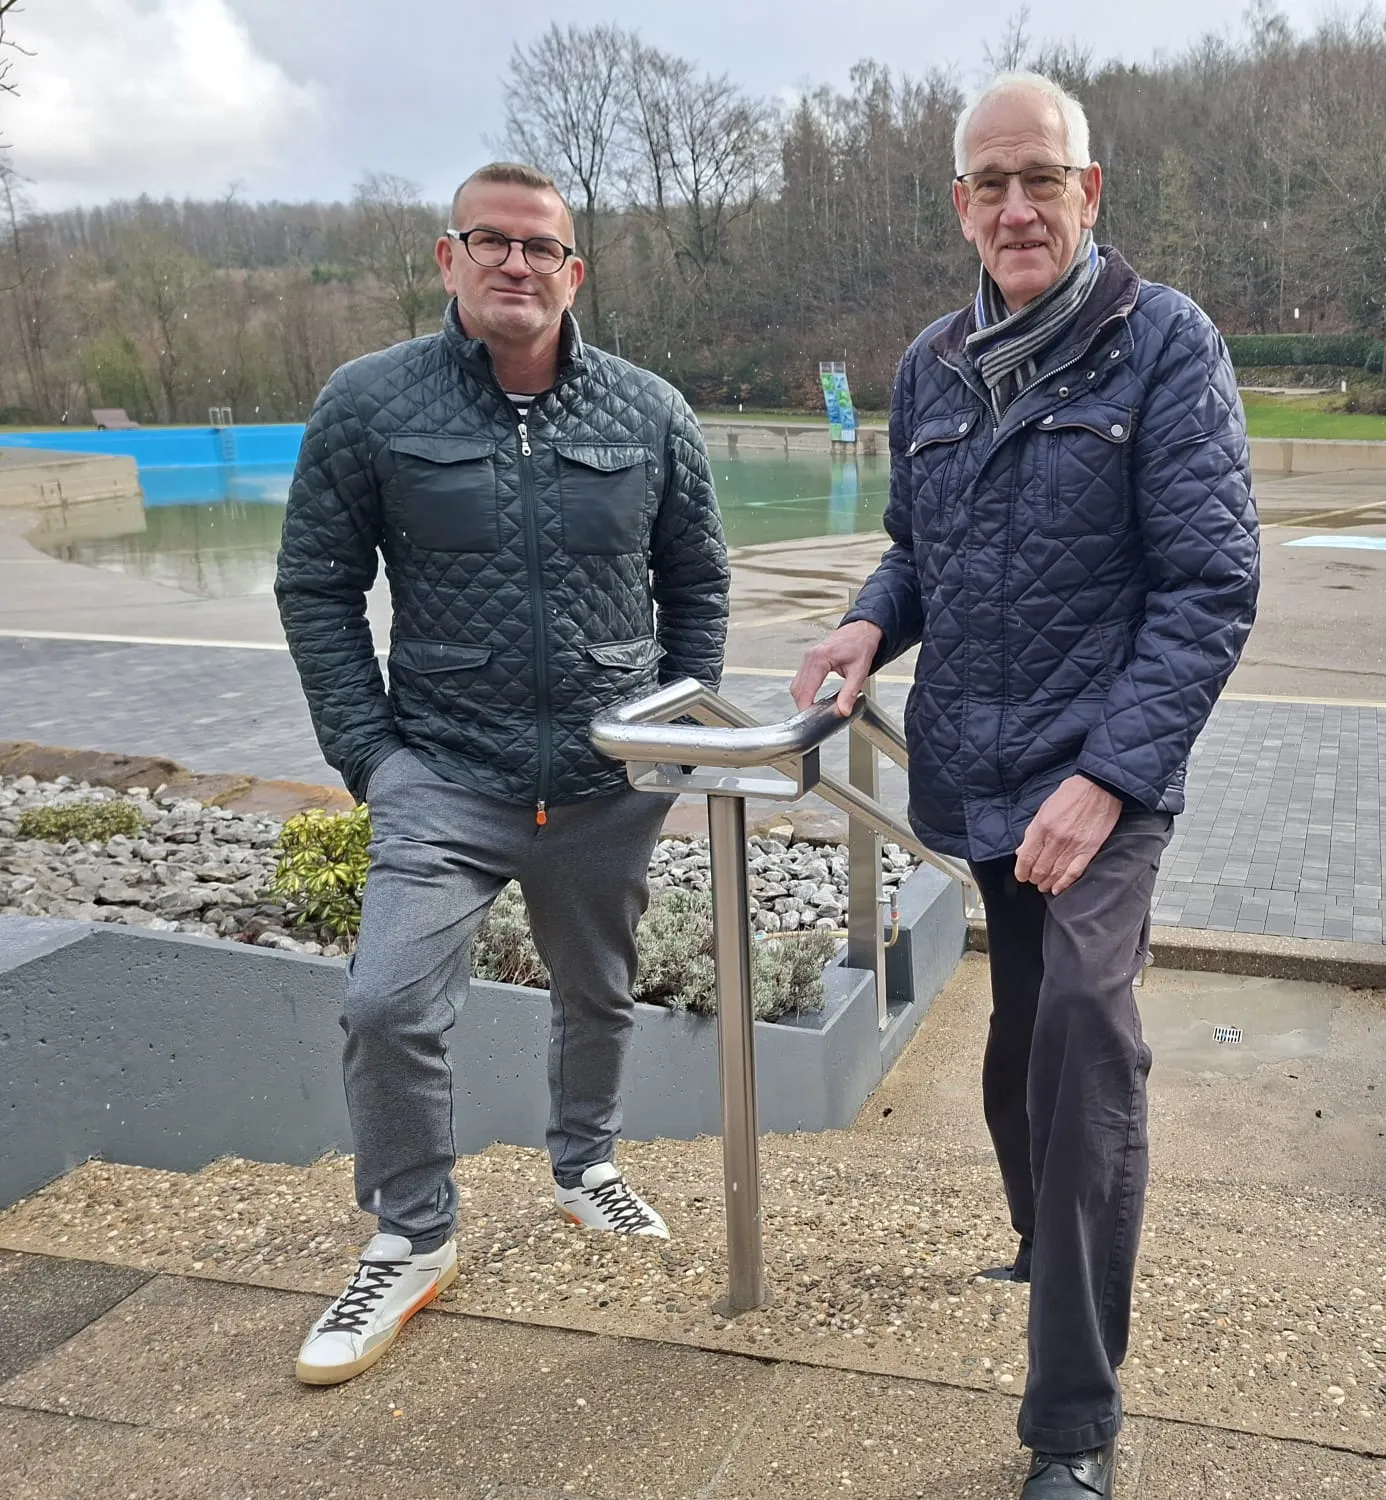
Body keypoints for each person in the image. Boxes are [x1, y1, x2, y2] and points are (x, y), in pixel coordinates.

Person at [790, 73, 1259, 1500]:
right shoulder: (933, 367)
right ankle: (1044, 1233)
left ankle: (1073, 1427)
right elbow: (917, 549)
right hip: (980, 772)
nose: (1015, 207)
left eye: (1039, 179)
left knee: (1084, 1038)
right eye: (989, 184)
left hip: (1103, 783)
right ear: (959, 209)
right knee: (1015, 1038)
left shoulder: (1165, 344)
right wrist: (873, 618)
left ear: (1089, 190)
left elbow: (1209, 587)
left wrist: (1109, 782)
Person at [276, 161, 729, 1387]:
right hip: (445, 779)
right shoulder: (368, 404)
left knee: (601, 989)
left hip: (607, 781)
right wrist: (371, 757)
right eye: (492, 242)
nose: (516, 263)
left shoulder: (647, 411)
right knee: (386, 1005)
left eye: (541, 246)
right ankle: (412, 1234)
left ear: (573, 271)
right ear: (449, 258)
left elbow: (695, 584)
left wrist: (673, 738)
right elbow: (317, 587)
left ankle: (586, 1166)